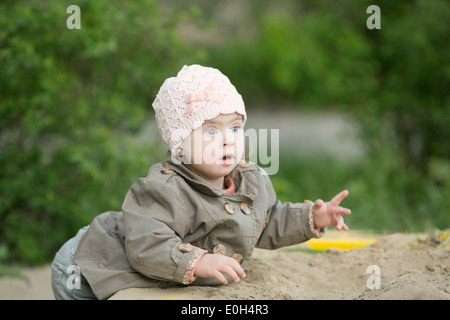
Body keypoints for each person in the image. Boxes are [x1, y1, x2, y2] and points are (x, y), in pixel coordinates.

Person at [51, 64, 351, 300]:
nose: (226, 141)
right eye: (210, 132)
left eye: (235, 128)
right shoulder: (165, 188)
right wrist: (198, 261)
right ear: (179, 145)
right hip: (89, 267)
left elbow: (269, 221)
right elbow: (146, 243)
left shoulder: (252, 183)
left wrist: (311, 217)